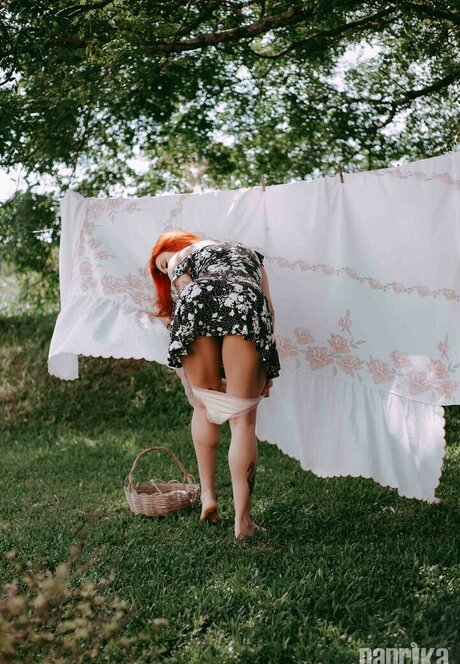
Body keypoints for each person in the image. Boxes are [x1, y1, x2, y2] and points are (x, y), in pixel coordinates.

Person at [149, 230, 280, 540]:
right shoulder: (248, 252)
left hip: (197, 298)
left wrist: (178, 320)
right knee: (243, 419)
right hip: (246, 300)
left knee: (203, 403)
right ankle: (243, 522)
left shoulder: (182, 256)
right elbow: (268, 308)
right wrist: (266, 367)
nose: (165, 270)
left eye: (163, 263)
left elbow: (185, 290)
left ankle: (208, 496)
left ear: (174, 247)